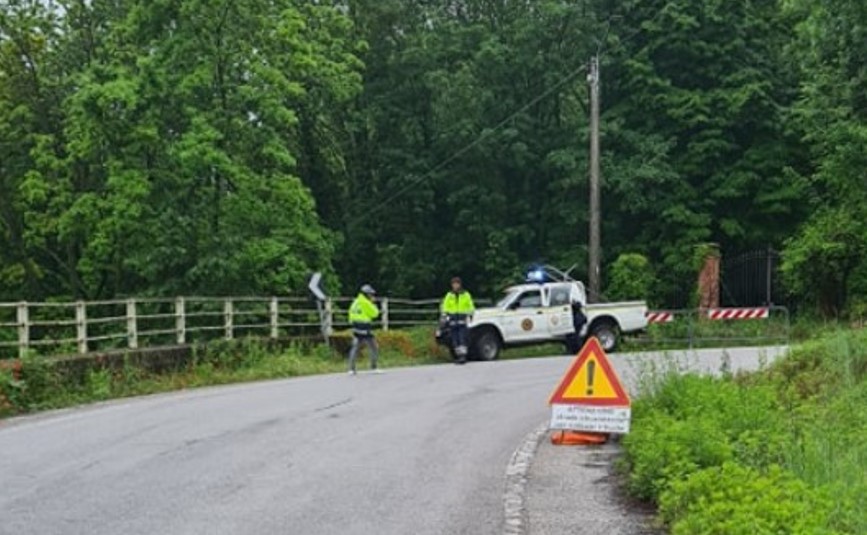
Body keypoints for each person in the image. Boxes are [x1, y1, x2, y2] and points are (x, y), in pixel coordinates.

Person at [441, 276, 475, 364]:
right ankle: (458, 356)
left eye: (457, 284)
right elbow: (445, 306)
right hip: (452, 319)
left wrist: (470, 314)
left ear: (460, 284)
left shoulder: (465, 294)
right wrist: (445, 315)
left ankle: (463, 356)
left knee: (462, 339)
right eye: (454, 284)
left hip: (462, 319)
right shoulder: (449, 295)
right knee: (455, 339)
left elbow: (470, 305)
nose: (455, 286)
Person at [348, 284, 381, 375]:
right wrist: (373, 303)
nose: (372, 296)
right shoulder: (366, 302)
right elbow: (375, 314)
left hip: (355, 326)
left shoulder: (356, 301)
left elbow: (350, 313)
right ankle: (374, 367)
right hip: (364, 326)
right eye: (370, 294)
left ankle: (351, 369)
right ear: (366, 294)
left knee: (355, 347)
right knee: (374, 347)